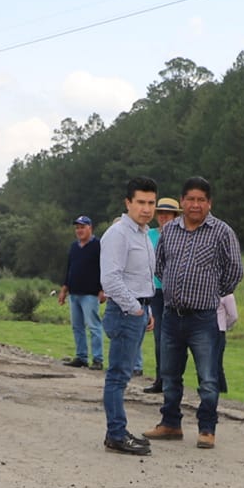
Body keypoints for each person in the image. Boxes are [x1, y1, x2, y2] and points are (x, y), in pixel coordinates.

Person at [147, 177, 243, 449]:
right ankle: (170, 423)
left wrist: (214, 290)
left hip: (203, 317)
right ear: (181, 202)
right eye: (190, 199)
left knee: (208, 377)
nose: (195, 204)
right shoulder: (169, 231)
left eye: (201, 199)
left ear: (209, 203)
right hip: (171, 315)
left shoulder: (222, 232)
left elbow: (235, 270)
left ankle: (207, 429)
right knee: (169, 373)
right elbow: (160, 265)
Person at [98, 177, 158, 455]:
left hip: (138, 309)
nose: (146, 209)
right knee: (118, 376)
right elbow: (110, 280)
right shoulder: (119, 233)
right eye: (141, 202)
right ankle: (116, 434)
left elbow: (142, 276)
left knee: (123, 375)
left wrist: (145, 309)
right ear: (128, 203)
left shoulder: (143, 234)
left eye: (151, 203)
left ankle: (118, 430)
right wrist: (134, 307)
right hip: (124, 312)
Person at [141, 197, 179, 391]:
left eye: (168, 213)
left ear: (175, 216)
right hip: (154, 291)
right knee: (159, 337)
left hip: (174, 291)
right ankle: (160, 379)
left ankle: (172, 380)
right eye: (161, 213)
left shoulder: (181, 235)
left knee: (174, 338)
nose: (164, 216)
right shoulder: (149, 235)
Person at [57, 216, 103, 368]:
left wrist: (103, 289)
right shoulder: (74, 247)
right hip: (74, 292)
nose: (79, 230)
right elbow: (69, 269)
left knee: (94, 326)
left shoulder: (98, 246)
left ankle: (97, 359)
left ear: (90, 228)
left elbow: (104, 268)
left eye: (82, 227)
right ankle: (81, 356)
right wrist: (64, 289)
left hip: (90, 293)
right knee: (77, 327)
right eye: (77, 228)